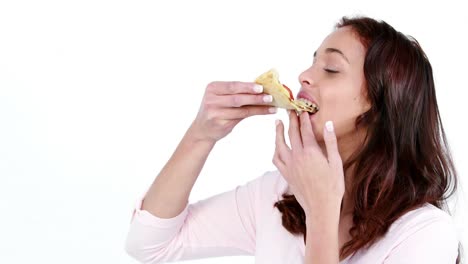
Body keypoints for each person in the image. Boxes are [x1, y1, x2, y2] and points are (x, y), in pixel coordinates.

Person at [124, 16, 462, 263]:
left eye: (330, 69)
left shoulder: (427, 236)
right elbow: (149, 244)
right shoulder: (277, 196)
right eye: (313, 61)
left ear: (380, 105)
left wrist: (322, 213)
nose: (304, 75)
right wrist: (201, 135)